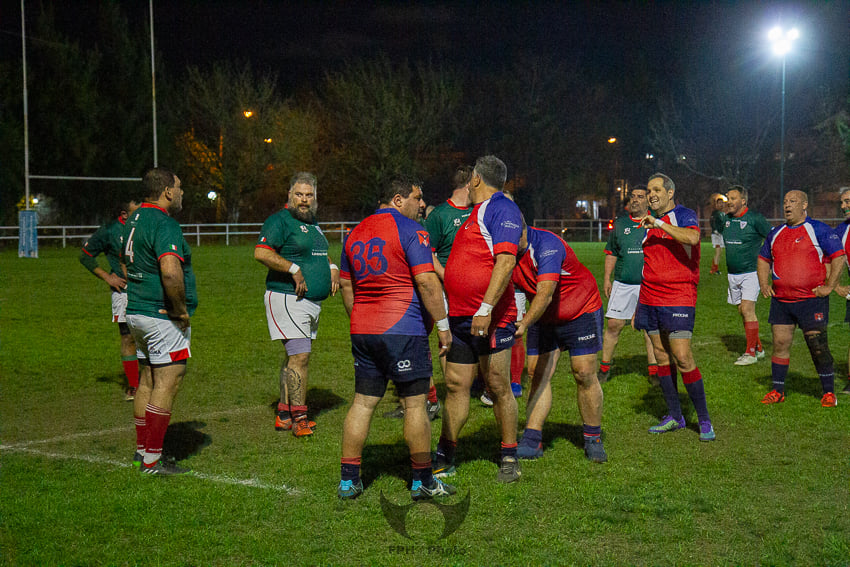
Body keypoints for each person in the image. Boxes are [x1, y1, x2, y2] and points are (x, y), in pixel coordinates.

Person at [337, 177, 455, 500]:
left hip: (364, 329)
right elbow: (428, 283)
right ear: (398, 199)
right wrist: (443, 325)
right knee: (416, 404)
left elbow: (348, 289)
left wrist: (360, 320)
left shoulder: (354, 233)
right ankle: (422, 481)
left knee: (362, 403)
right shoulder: (410, 231)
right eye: (417, 198)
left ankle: (349, 480)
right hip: (403, 329)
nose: (421, 205)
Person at [434, 155, 523, 484]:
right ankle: (446, 452)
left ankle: (509, 454)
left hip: (491, 319)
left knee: (498, 385)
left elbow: (506, 260)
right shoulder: (477, 213)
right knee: (456, 384)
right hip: (461, 319)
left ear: (475, 179)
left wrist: (485, 308)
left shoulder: (501, 207)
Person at [123, 168, 197, 475]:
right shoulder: (164, 223)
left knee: (147, 380)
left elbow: (125, 261)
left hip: (137, 311)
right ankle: (153, 460)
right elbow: (169, 271)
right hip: (160, 315)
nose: (181, 193)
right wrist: (179, 309)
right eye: (179, 188)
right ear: (167, 191)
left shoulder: (134, 218)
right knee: (169, 380)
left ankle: (143, 451)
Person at [383, 168, 474, 421]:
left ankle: (435, 398)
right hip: (425, 292)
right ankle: (429, 397)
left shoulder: (475, 214)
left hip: (446, 292)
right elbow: (424, 254)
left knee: (431, 343)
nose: (422, 204)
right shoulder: (432, 218)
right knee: (422, 344)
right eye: (418, 198)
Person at [512, 224, 607, 463]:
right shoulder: (503, 252)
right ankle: (533, 439)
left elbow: (545, 293)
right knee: (536, 372)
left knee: (584, 372)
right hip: (544, 315)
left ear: (522, 229)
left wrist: (523, 324)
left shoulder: (546, 245)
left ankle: (592, 438)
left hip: (580, 309)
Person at [254, 172, 339, 438]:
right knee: (300, 357)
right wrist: (292, 268)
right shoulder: (280, 220)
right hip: (288, 297)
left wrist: (332, 267)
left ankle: (283, 413)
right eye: (299, 195)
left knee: (294, 358)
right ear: (289, 195)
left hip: (308, 302)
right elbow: (262, 252)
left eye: (308, 195)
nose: (303, 200)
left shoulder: (311, 222)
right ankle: (300, 418)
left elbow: (318, 254)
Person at [636, 173, 715, 442]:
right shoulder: (645, 223)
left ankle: (703, 420)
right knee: (660, 355)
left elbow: (692, 239)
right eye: (648, 190)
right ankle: (675, 415)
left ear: (670, 193)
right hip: (650, 297)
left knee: (682, 355)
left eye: (656, 189)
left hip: (679, 296)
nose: (651, 194)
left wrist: (658, 223)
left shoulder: (683, 214)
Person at [757, 190, 845, 407]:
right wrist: (763, 284)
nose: (787, 205)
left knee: (817, 345)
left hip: (811, 300)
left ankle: (828, 393)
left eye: (793, 201)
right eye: (785, 201)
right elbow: (762, 258)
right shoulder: (775, 232)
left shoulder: (818, 229)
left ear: (804, 205)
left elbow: (839, 256)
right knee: (779, 343)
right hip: (782, 301)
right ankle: (777, 391)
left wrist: (829, 287)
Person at [80, 200, 142, 400]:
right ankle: (134, 385)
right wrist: (108, 277)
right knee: (127, 337)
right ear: (124, 214)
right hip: (123, 291)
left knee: (149, 334)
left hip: (146, 288)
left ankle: (152, 381)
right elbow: (86, 256)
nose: (141, 214)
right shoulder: (109, 231)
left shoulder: (146, 226)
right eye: (136, 211)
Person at [598, 185, 658, 384]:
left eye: (640, 197)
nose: (635, 200)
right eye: (632, 196)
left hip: (648, 285)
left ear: (648, 201)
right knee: (614, 324)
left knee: (650, 328)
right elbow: (612, 252)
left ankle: (654, 372)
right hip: (623, 284)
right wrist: (607, 278)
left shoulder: (656, 223)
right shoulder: (620, 224)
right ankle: (604, 367)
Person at [717, 186, 771, 365]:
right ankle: (759, 348)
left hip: (751, 272)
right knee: (742, 311)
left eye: (733, 198)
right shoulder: (725, 220)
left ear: (743, 201)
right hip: (733, 274)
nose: (729, 202)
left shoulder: (755, 219)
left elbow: (773, 239)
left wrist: (768, 264)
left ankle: (750, 353)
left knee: (748, 310)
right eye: (728, 198)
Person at [833, 187, 850, 395]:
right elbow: (829, 260)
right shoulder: (841, 231)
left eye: (847, 201)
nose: (844, 206)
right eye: (842, 203)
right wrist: (835, 285)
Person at [709, 193, 727, 275]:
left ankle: (714, 268)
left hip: (720, 234)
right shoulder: (715, 213)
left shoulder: (722, 213)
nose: (721, 204)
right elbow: (712, 222)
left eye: (722, 203)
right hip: (717, 235)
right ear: (717, 204)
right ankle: (714, 269)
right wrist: (715, 230)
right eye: (719, 203)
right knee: (718, 252)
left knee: (719, 252)